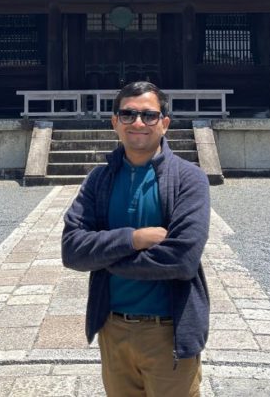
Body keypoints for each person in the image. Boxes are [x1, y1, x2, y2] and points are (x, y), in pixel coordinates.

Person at [61, 81, 210, 397]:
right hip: (113, 330)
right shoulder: (98, 180)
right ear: (114, 121)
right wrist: (133, 239)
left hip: (168, 333)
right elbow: (72, 250)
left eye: (149, 115)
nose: (138, 123)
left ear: (165, 123)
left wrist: (106, 258)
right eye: (127, 114)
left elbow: (182, 260)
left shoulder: (189, 179)